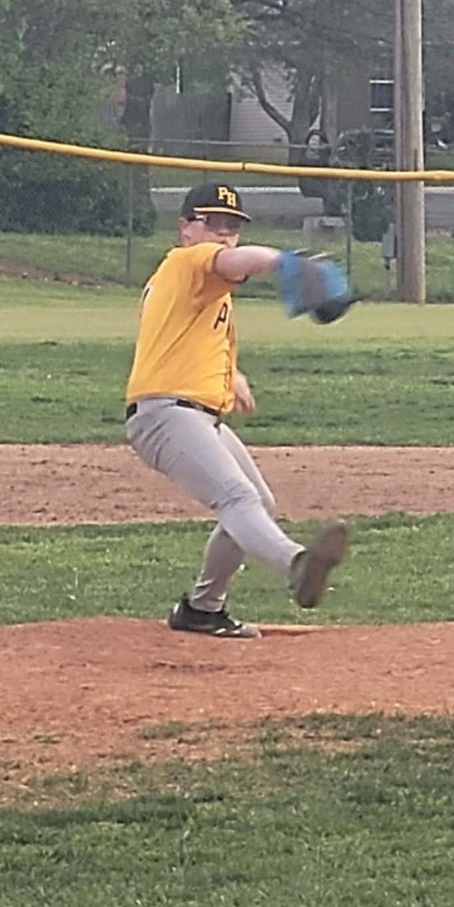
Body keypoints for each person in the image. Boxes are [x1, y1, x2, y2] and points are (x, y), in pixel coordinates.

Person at [124, 182, 349, 639]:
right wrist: (283, 261)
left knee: (258, 502)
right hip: (166, 414)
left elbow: (184, 341)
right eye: (212, 223)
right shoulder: (189, 260)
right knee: (238, 500)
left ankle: (202, 609)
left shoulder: (202, 289)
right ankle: (296, 565)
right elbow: (234, 261)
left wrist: (232, 375)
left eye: (232, 227)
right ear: (185, 228)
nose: (223, 234)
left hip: (191, 411)